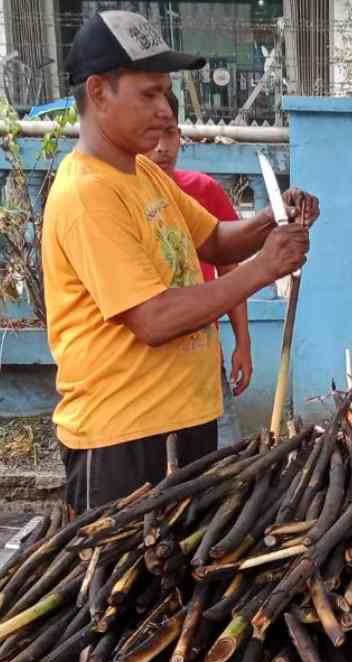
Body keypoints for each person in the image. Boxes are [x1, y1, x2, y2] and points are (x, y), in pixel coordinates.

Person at [43, 10, 319, 513]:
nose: (166, 113)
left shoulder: (143, 175)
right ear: (99, 91)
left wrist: (270, 220)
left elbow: (213, 240)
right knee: (126, 588)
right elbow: (153, 318)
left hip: (182, 422)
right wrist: (264, 269)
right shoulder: (88, 193)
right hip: (123, 440)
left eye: (166, 94)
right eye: (148, 94)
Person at [148, 91, 251, 448]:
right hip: (152, 370)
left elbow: (229, 266)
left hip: (204, 358)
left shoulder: (202, 191)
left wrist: (243, 343)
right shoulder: (119, 197)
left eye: (170, 134)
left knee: (226, 457)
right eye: (154, 134)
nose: (162, 147)